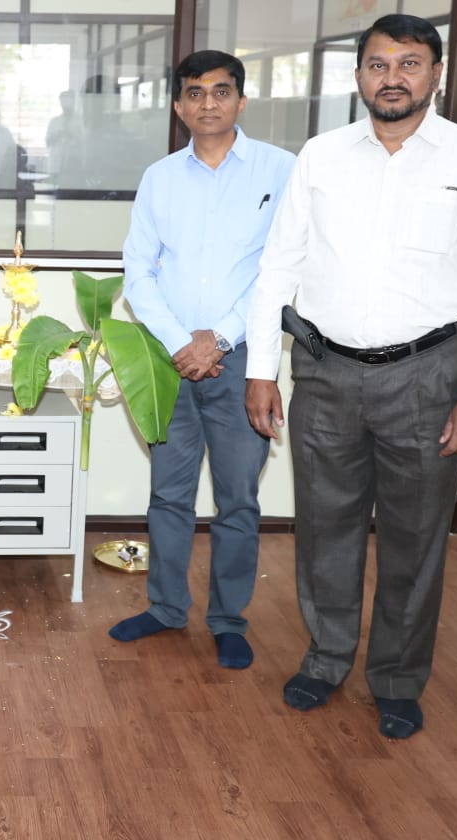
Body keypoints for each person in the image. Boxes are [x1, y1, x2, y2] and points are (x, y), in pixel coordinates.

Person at [244, 14, 457, 740]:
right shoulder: (321, 156)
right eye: (378, 64)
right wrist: (260, 369)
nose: (392, 78)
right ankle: (326, 658)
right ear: (358, 76)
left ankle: (398, 679)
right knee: (324, 528)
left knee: (416, 537)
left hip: (430, 376)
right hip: (326, 372)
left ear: (435, 73)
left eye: (409, 63)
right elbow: (279, 266)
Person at [111, 50, 296, 671]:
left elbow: (280, 271)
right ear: (178, 105)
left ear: (241, 100)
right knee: (169, 494)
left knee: (238, 498)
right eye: (195, 93)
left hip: (244, 361)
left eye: (221, 92)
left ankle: (228, 620)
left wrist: (217, 339)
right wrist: (178, 343)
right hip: (170, 361)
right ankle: (166, 608)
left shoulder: (282, 170)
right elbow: (138, 271)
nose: (208, 103)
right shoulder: (160, 177)